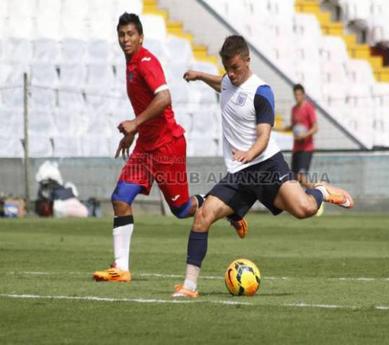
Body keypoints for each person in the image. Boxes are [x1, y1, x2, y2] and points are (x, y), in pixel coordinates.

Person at [173, 35, 353, 298]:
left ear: (247, 60)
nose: (231, 74)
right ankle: (189, 286)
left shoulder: (261, 91)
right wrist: (200, 75)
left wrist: (249, 153)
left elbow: (265, 136)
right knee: (203, 216)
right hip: (239, 172)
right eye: (227, 68)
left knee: (304, 210)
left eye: (236, 68)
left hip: (267, 165)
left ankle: (322, 191)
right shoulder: (227, 81)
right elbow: (221, 84)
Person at [93, 13, 247, 283]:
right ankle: (121, 268)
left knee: (182, 209)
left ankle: (228, 207)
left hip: (167, 145)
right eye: (122, 34)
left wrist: (134, 122)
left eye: (130, 34)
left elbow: (164, 98)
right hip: (145, 146)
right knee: (120, 198)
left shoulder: (146, 62)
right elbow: (146, 106)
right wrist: (134, 132)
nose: (126, 39)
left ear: (141, 37)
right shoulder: (130, 64)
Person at [289, 84, 318, 186]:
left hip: (306, 149)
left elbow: (315, 128)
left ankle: (319, 195)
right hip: (296, 149)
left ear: (303, 95)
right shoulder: (294, 109)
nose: (297, 97)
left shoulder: (309, 108)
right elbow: (293, 127)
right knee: (293, 180)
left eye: (299, 94)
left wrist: (304, 135)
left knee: (301, 178)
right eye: (295, 95)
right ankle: (299, 201)